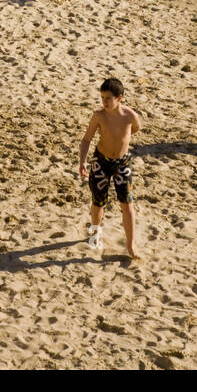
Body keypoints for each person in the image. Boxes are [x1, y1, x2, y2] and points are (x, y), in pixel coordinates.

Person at [78, 78, 141, 258]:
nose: (104, 102)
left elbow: (135, 129)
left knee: (127, 203)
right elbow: (86, 139)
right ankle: (95, 234)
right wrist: (82, 161)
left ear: (119, 98)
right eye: (102, 98)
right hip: (101, 161)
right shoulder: (99, 116)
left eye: (107, 98)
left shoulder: (130, 116)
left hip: (122, 163)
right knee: (98, 202)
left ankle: (130, 245)